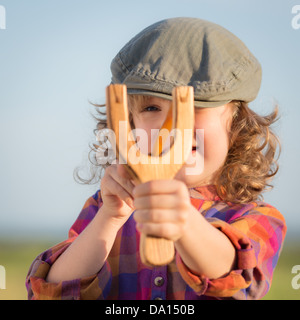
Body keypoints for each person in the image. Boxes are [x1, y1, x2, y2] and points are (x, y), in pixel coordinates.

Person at [26, 17, 286, 300]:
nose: (171, 127)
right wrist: (109, 219)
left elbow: (235, 275)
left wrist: (182, 219)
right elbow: (52, 292)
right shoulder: (104, 208)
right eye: (151, 107)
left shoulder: (256, 218)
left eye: (194, 108)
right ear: (128, 125)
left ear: (236, 126)